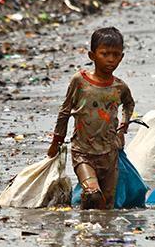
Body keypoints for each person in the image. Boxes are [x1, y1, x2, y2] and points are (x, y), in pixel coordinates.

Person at [47, 27, 135, 209]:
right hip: (83, 152)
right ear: (92, 55)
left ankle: (92, 231)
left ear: (122, 57)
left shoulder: (119, 87)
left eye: (116, 55)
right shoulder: (80, 81)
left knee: (107, 206)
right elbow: (65, 112)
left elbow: (129, 104)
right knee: (92, 192)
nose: (111, 59)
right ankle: (87, 231)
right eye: (104, 54)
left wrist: (123, 126)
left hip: (109, 154)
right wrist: (57, 141)